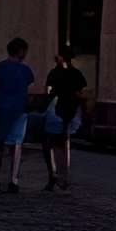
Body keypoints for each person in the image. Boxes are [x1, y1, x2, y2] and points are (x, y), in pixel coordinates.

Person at [0, 36, 34, 193]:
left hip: (0, 109)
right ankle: (14, 180)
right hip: (19, 111)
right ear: (21, 52)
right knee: (17, 146)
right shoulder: (26, 71)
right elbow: (29, 92)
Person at [41, 43, 87, 190]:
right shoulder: (77, 74)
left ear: (60, 58)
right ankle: (64, 176)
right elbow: (81, 94)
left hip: (56, 110)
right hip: (71, 110)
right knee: (65, 142)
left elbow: (48, 92)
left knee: (51, 143)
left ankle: (54, 175)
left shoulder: (54, 73)